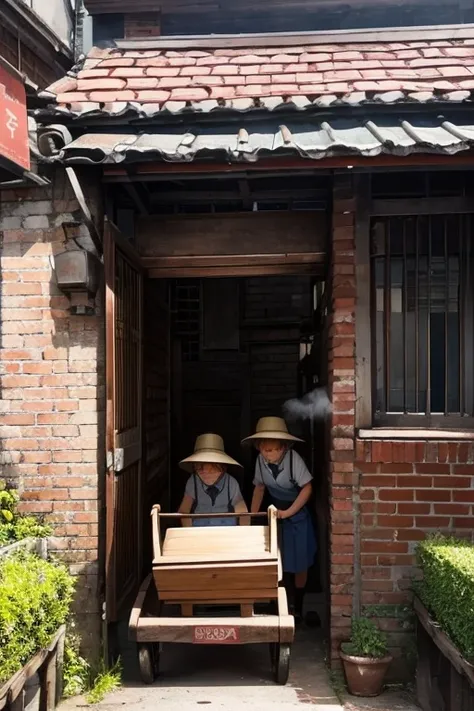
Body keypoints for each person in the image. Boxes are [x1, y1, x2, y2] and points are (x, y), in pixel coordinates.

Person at [243, 417, 317, 623]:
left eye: (274, 450)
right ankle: (281, 603)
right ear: (259, 448)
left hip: (297, 512)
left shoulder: (294, 460)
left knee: (300, 561)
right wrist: (251, 518)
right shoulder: (261, 462)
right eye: (265, 450)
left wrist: (289, 512)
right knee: (278, 559)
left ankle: (299, 606)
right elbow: (259, 488)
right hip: (276, 513)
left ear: (283, 447)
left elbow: (307, 488)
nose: (269, 454)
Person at [178, 433, 248, 527]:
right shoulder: (193, 481)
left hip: (225, 528)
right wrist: (189, 533)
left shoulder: (231, 483)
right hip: (200, 527)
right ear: (195, 468)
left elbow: (243, 513)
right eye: (201, 469)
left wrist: (244, 534)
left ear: (222, 468)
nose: (207, 474)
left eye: (213, 470)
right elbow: (184, 511)